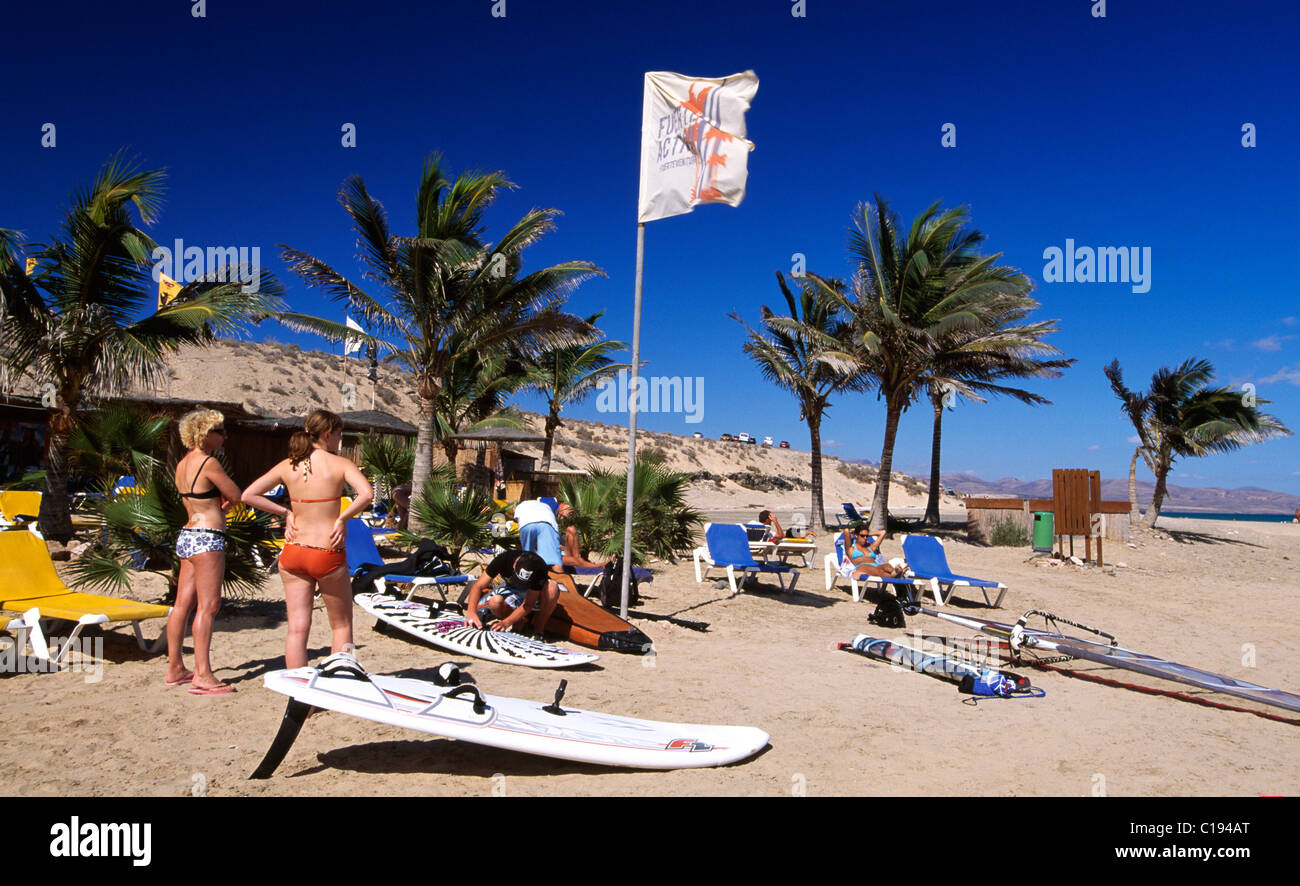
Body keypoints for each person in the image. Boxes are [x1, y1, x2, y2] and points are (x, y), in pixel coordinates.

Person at [242, 410, 372, 668]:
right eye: (339, 434)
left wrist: (285, 512)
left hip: (293, 552)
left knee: (297, 629)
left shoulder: (288, 464)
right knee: (342, 625)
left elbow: (248, 495)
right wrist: (342, 518)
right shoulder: (340, 464)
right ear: (327, 434)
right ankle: (340, 683)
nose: (340, 439)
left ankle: (299, 696)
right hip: (326, 551)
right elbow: (366, 494)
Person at [169, 410, 242, 695]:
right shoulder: (209, 463)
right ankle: (203, 674)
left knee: (181, 604)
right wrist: (221, 510)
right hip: (208, 537)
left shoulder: (183, 464)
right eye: (220, 430)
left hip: (187, 534)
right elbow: (236, 495)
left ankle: (175, 666)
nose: (225, 435)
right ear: (204, 433)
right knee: (208, 607)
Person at [463, 549, 559, 633]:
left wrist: (506, 623)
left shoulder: (539, 567)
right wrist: (471, 612)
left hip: (531, 593)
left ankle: (538, 628)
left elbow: (528, 604)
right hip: (511, 589)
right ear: (514, 565)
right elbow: (478, 586)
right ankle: (519, 620)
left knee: (552, 588)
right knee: (494, 602)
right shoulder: (504, 559)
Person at [838, 524, 907, 580]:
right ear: (856, 535)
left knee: (887, 566)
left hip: (876, 565)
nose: (865, 538)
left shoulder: (871, 547)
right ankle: (897, 575)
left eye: (866, 536)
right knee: (879, 572)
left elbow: (883, 532)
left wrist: (867, 534)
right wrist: (854, 536)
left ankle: (895, 575)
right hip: (863, 566)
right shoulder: (851, 548)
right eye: (862, 536)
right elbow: (846, 531)